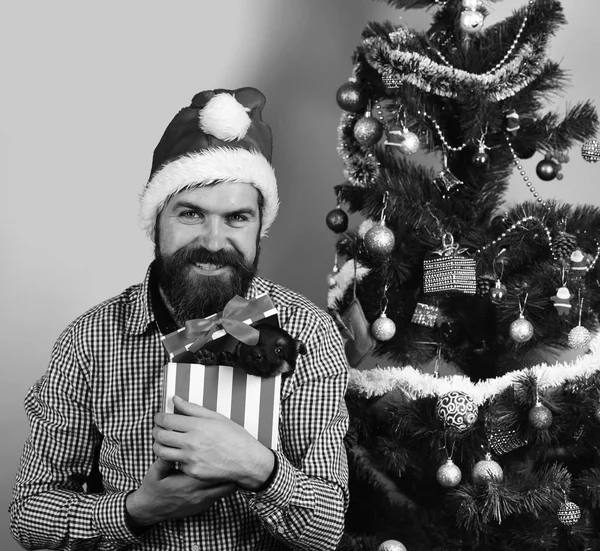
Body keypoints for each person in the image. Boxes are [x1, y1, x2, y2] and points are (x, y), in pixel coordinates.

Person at [10, 87, 350, 550]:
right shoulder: (88, 340)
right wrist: (138, 508)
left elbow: (326, 529)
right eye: (191, 214)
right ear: (157, 222)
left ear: (258, 227)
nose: (213, 241)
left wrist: (257, 468)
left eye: (236, 218)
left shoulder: (308, 331)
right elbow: (30, 517)